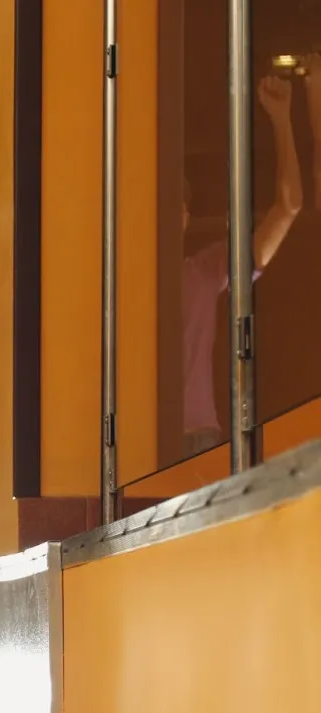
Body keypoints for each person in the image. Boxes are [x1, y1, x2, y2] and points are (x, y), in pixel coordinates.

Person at [180, 74, 300, 458]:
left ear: (185, 217)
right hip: (136, 448)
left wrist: (281, 119)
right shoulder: (118, 282)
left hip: (200, 441)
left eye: (177, 207)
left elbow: (289, 207)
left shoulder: (200, 271)